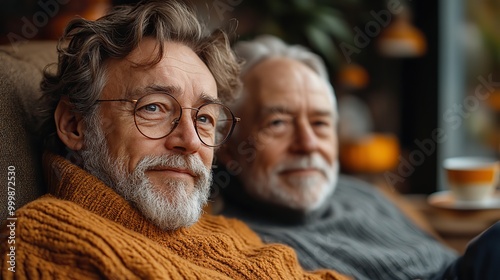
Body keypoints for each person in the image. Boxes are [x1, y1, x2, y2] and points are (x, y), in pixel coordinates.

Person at [0, 2, 350, 279]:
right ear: (74, 125)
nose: (190, 141)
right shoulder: (45, 243)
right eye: (153, 107)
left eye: (204, 118)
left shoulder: (231, 233)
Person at [214, 34, 500, 280]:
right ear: (227, 148)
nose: (308, 144)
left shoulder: (358, 192)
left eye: (320, 123)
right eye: (278, 123)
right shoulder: (241, 245)